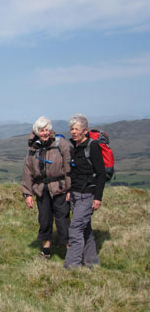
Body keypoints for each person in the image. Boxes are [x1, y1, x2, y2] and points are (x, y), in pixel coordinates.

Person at [22, 116, 71, 260]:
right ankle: (46, 251)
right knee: (44, 219)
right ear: (37, 132)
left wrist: (69, 189)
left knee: (63, 220)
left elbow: (68, 167)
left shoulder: (61, 144)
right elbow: (28, 170)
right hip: (41, 189)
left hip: (59, 188)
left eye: (47, 130)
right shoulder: (33, 148)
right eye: (41, 130)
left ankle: (70, 252)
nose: (45, 133)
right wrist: (28, 193)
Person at [64, 114, 106, 270]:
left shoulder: (92, 147)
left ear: (85, 131)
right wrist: (70, 191)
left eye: (77, 129)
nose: (73, 132)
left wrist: (98, 197)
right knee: (85, 229)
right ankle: (92, 262)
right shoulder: (74, 147)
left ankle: (72, 266)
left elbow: (101, 173)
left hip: (88, 194)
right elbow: (74, 173)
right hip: (75, 194)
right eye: (72, 129)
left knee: (75, 229)